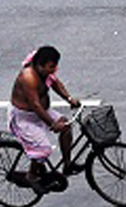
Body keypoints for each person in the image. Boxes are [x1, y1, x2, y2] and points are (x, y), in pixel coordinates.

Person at [8, 46, 82, 188]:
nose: (53, 70)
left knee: (66, 126)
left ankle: (68, 164)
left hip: (41, 112)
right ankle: (32, 175)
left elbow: (55, 83)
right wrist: (52, 123)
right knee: (43, 148)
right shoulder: (28, 77)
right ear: (39, 65)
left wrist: (69, 98)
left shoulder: (45, 72)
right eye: (50, 67)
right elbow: (36, 105)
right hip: (24, 118)